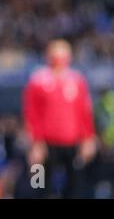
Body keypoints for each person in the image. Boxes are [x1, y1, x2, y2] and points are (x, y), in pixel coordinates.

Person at [23, 39, 97, 198]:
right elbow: (31, 114)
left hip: (72, 143)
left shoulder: (77, 80)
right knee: (38, 183)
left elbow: (84, 113)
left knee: (76, 187)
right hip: (44, 144)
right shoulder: (38, 80)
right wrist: (35, 143)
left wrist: (88, 138)